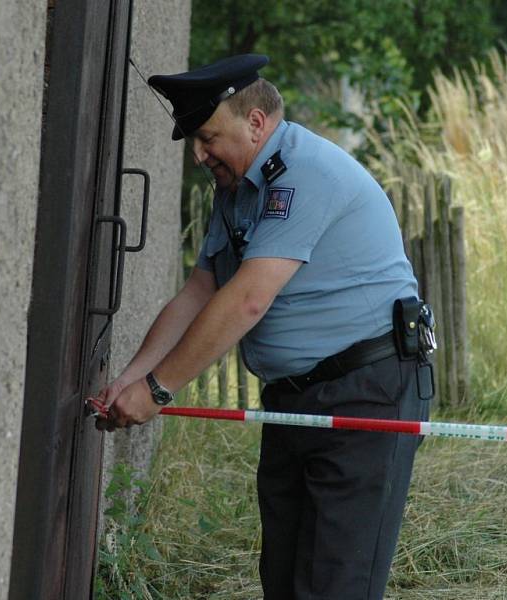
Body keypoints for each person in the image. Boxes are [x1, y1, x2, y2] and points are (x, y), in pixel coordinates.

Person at [94, 54, 433, 600]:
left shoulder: (302, 176)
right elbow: (199, 292)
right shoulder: (235, 189)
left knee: (332, 584)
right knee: (283, 577)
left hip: (366, 392)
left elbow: (247, 300)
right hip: (296, 397)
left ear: (255, 123)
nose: (200, 155)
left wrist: (159, 390)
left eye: (208, 137)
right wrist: (131, 377)